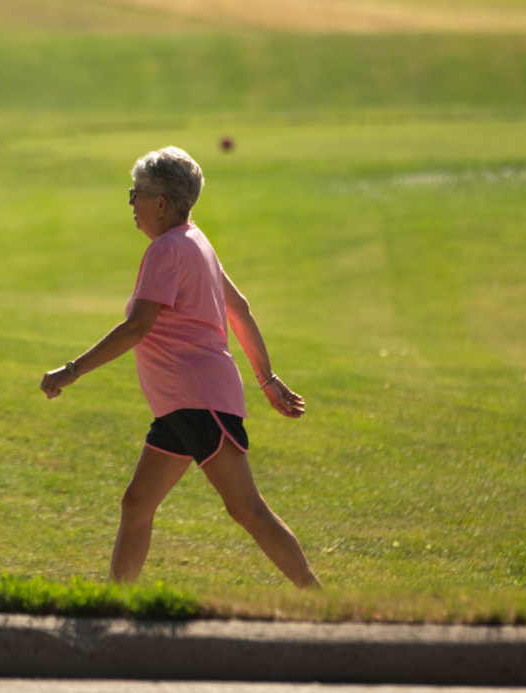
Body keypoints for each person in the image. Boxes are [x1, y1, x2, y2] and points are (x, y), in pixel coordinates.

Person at [40, 147, 320, 588]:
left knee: (246, 508)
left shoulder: (165, 252)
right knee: (136, 504)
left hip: (196, 399)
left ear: (161, 204)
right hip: (183, 402)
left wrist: (71, 370)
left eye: (136, 194)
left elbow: (137, 328)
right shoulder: (196, 240)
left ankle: (321, 603)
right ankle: (116, 603)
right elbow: (240, 309)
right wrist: (265, 378)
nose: (131, 203)